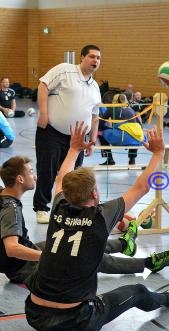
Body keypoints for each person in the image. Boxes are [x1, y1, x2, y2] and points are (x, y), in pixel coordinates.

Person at [24, 123, 169, 331]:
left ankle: (126, 252)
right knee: (137, 291)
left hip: (34, 315)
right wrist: (158, 153)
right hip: (75, 321)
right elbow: (142, 187)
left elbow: (61, 178)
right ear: (94, 195)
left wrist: (73, 149)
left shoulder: (58, 206)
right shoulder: (101, 216)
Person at [0, 155, 169, 284]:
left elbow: (61, 179)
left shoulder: (55, 204)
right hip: (22, 270)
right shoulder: (11, 208)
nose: (35, 175)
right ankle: (147, 264)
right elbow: (11, 249)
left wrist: (74, 148)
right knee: (90, 256)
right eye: (31, 172)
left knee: (62, 242)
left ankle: (123, 245)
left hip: (19, 259)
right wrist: (49, 257)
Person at [33, 44, 102, 224]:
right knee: (46, 171)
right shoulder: (65, 70)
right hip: (52, 133)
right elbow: (43, 85)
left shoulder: (95, 87)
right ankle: (41, 208)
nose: (95, 60)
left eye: (98, 58)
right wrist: (44, 113)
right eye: (92, 56)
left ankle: (73, 208)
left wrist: (92, 140)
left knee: (75, 176)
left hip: (78, 140)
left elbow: (95, 116)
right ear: (82, 58)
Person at [98, 93, 142, 166]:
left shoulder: (111, 108)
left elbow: (101, 122)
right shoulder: (130, 109)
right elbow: (139, 125)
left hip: (122, 138)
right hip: (137, 139)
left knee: (100, 132)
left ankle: (110, 159)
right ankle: (132, 159)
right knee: (134, 133)